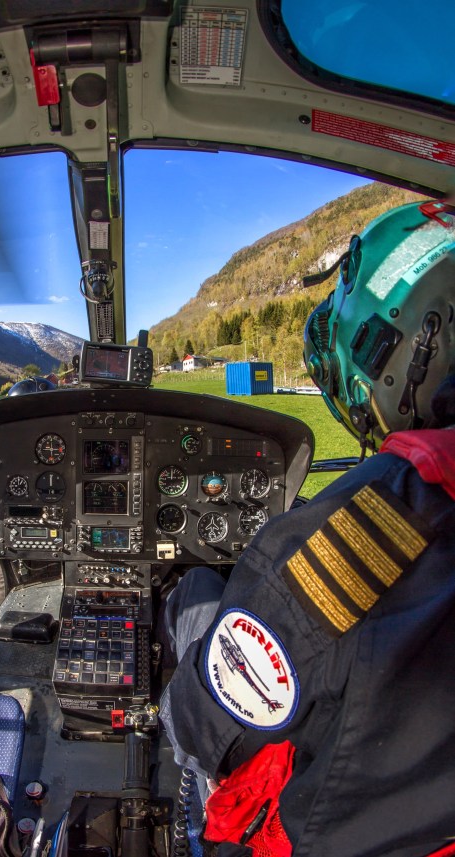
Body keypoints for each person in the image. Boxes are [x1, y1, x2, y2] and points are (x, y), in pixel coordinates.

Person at [160, 200, 455, 857]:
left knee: (193, 590)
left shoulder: (360, 537)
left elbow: (197, 727)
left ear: (410, 346)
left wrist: (210, 592)